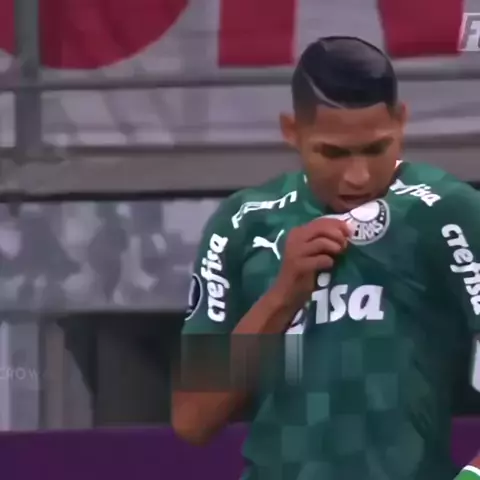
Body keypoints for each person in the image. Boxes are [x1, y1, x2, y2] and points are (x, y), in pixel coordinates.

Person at [172, 36, 480, 479]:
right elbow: (193, 418)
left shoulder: (448, 213)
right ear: (292, 131)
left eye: (376, 148)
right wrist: (282, 297)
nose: (358, 176)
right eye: (333, 153)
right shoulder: (242, 222)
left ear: (402, 121)